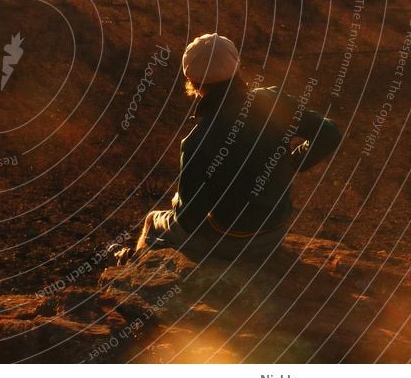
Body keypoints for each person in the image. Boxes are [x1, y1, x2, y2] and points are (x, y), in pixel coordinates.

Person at [126, 33, 341, 261]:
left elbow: (190, 220)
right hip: (274, 232)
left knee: (152, 221)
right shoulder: (274, 101)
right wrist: (291, 163)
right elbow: (329, 133)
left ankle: (132, 265)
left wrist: (180, 200)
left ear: (192, 80)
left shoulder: (197, 141)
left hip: (229, 243)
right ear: (237, 67)